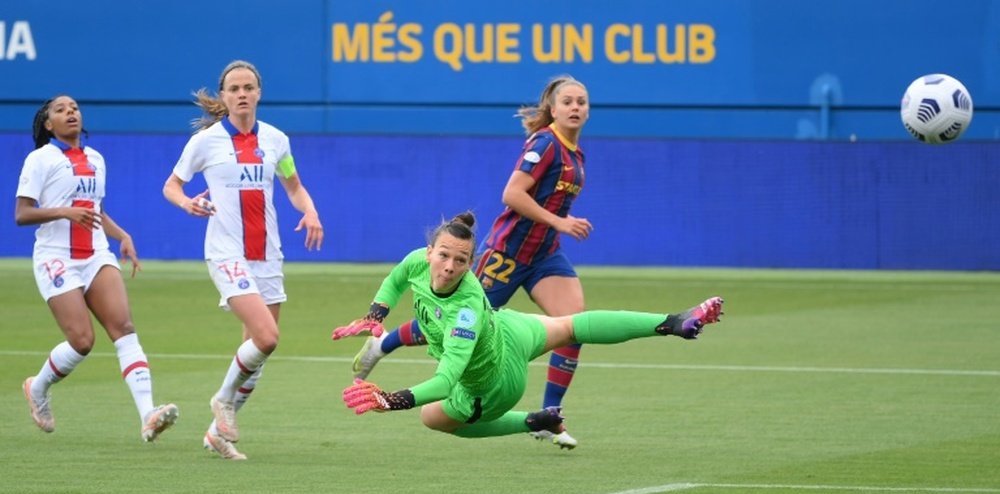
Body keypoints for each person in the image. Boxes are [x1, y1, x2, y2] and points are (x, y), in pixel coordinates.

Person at [332, 212, 722, 449]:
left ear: (472, 264)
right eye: (444, 255)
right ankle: (673, 323)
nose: (450, 266)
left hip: (494, 383)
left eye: (461, 261)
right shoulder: (418, 260)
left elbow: (446, 380)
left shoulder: (464, 312)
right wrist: (375, 311)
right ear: (430, 250)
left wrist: (394, 400)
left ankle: (532, 420)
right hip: (509, 329)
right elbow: (396, 279)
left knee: (433, 418)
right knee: (570, 325)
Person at [350, 76, 595, 435]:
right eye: (568, 101)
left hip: (544, 255)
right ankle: (382, 343)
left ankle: (549, 416)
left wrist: (556, 226)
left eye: (582, 102)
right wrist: (559, 221)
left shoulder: (575, 153)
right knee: (458, 322)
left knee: (574, 326)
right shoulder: (545, 145)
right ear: (552, 109)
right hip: (508, 254)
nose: (576, 107)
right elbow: (512, 194)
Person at [162, 60, 324, 461]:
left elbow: (294, 185)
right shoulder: (206, 142)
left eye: (248, 87)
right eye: (233, 88)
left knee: (259, 352)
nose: (241, 94)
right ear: (223, 96)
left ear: (259, 93)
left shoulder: (276, 140)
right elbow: (172, 185)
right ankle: (222, 400)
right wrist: (186, 203)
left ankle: (218, 434)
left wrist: (311, 211)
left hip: (267, 254)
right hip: (226, 252)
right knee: (267, 337)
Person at [16, 95, 178, 441]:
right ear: (48, 124)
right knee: (82, 340)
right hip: (56, 256)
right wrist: (63, 211)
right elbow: (22, 213)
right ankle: (38, 387)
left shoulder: (95, 159)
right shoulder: (40, 159)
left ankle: (147, 415)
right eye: (59, 110)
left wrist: (121, 235)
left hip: (95, 253)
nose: (69, 112)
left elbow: (94, 210)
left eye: (73, 107)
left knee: (124, 327)